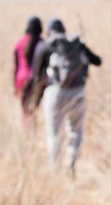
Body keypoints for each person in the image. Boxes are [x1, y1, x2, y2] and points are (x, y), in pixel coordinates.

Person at [30, 18, 101, 176]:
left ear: (49, 31)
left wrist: (35, 98)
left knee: (53, 133)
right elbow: (97, 61)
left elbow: (35, 73)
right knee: (75, 130)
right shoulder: (77, 43)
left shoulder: (46, 45)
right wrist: (82, 47)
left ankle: (54, 170)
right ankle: (71, 162)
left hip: (54, 92)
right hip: (78, 92)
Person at [13, 16, 44, 123]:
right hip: (37, 80)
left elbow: (15, 67)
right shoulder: (42, 43)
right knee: (34, 108)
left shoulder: (19, 43)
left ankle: (26, 132)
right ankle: (32, 130)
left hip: (21, 79)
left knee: (24, 110)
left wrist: (15, 86)